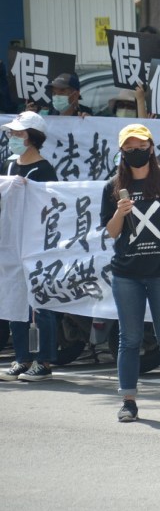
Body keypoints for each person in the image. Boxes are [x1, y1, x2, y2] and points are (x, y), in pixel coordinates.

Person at [101, 124, 160, 422]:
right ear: (121, 152)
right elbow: (112, 232)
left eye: (141, 147)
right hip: (126, 274)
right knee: (129, 339)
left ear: (152, 148)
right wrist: (120, 212)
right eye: (130, 149)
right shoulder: (113, 186)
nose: (136, 153)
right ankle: (128, 401)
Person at [0, 112, 60, 382]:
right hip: (10, 241)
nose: (13, 137)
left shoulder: (44, 169)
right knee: (14, 299)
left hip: (35, 242)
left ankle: (43, 360)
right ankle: (22, 358)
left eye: (19, 133)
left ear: (33, 137)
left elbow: (51, 206)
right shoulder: (9, 165)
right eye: (12, 133)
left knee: (40, 303)